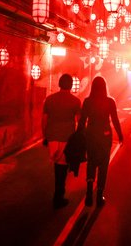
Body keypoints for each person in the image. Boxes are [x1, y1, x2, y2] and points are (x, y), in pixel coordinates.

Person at [78, 76, 124, 207]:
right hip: (105, 135)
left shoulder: (87, 101)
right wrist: (120, 135)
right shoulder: (110, 101)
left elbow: (82, 121)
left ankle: (88, 194)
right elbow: (115, 119)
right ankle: (99, 195)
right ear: (105, 87)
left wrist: (80, 135)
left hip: (91, 134)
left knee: (91, 162)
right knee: (104, 165)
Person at [42, 73, 81, 209]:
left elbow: (44, 120)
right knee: (62, 167)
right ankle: (58, 196)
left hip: (52, 137)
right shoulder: (75, 101)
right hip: (67, 137)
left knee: (57, 165)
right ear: (71, 85)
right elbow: (79, 121)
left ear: (59, 84)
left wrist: (45, 136)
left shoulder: (49, 99)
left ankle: (58, 194)